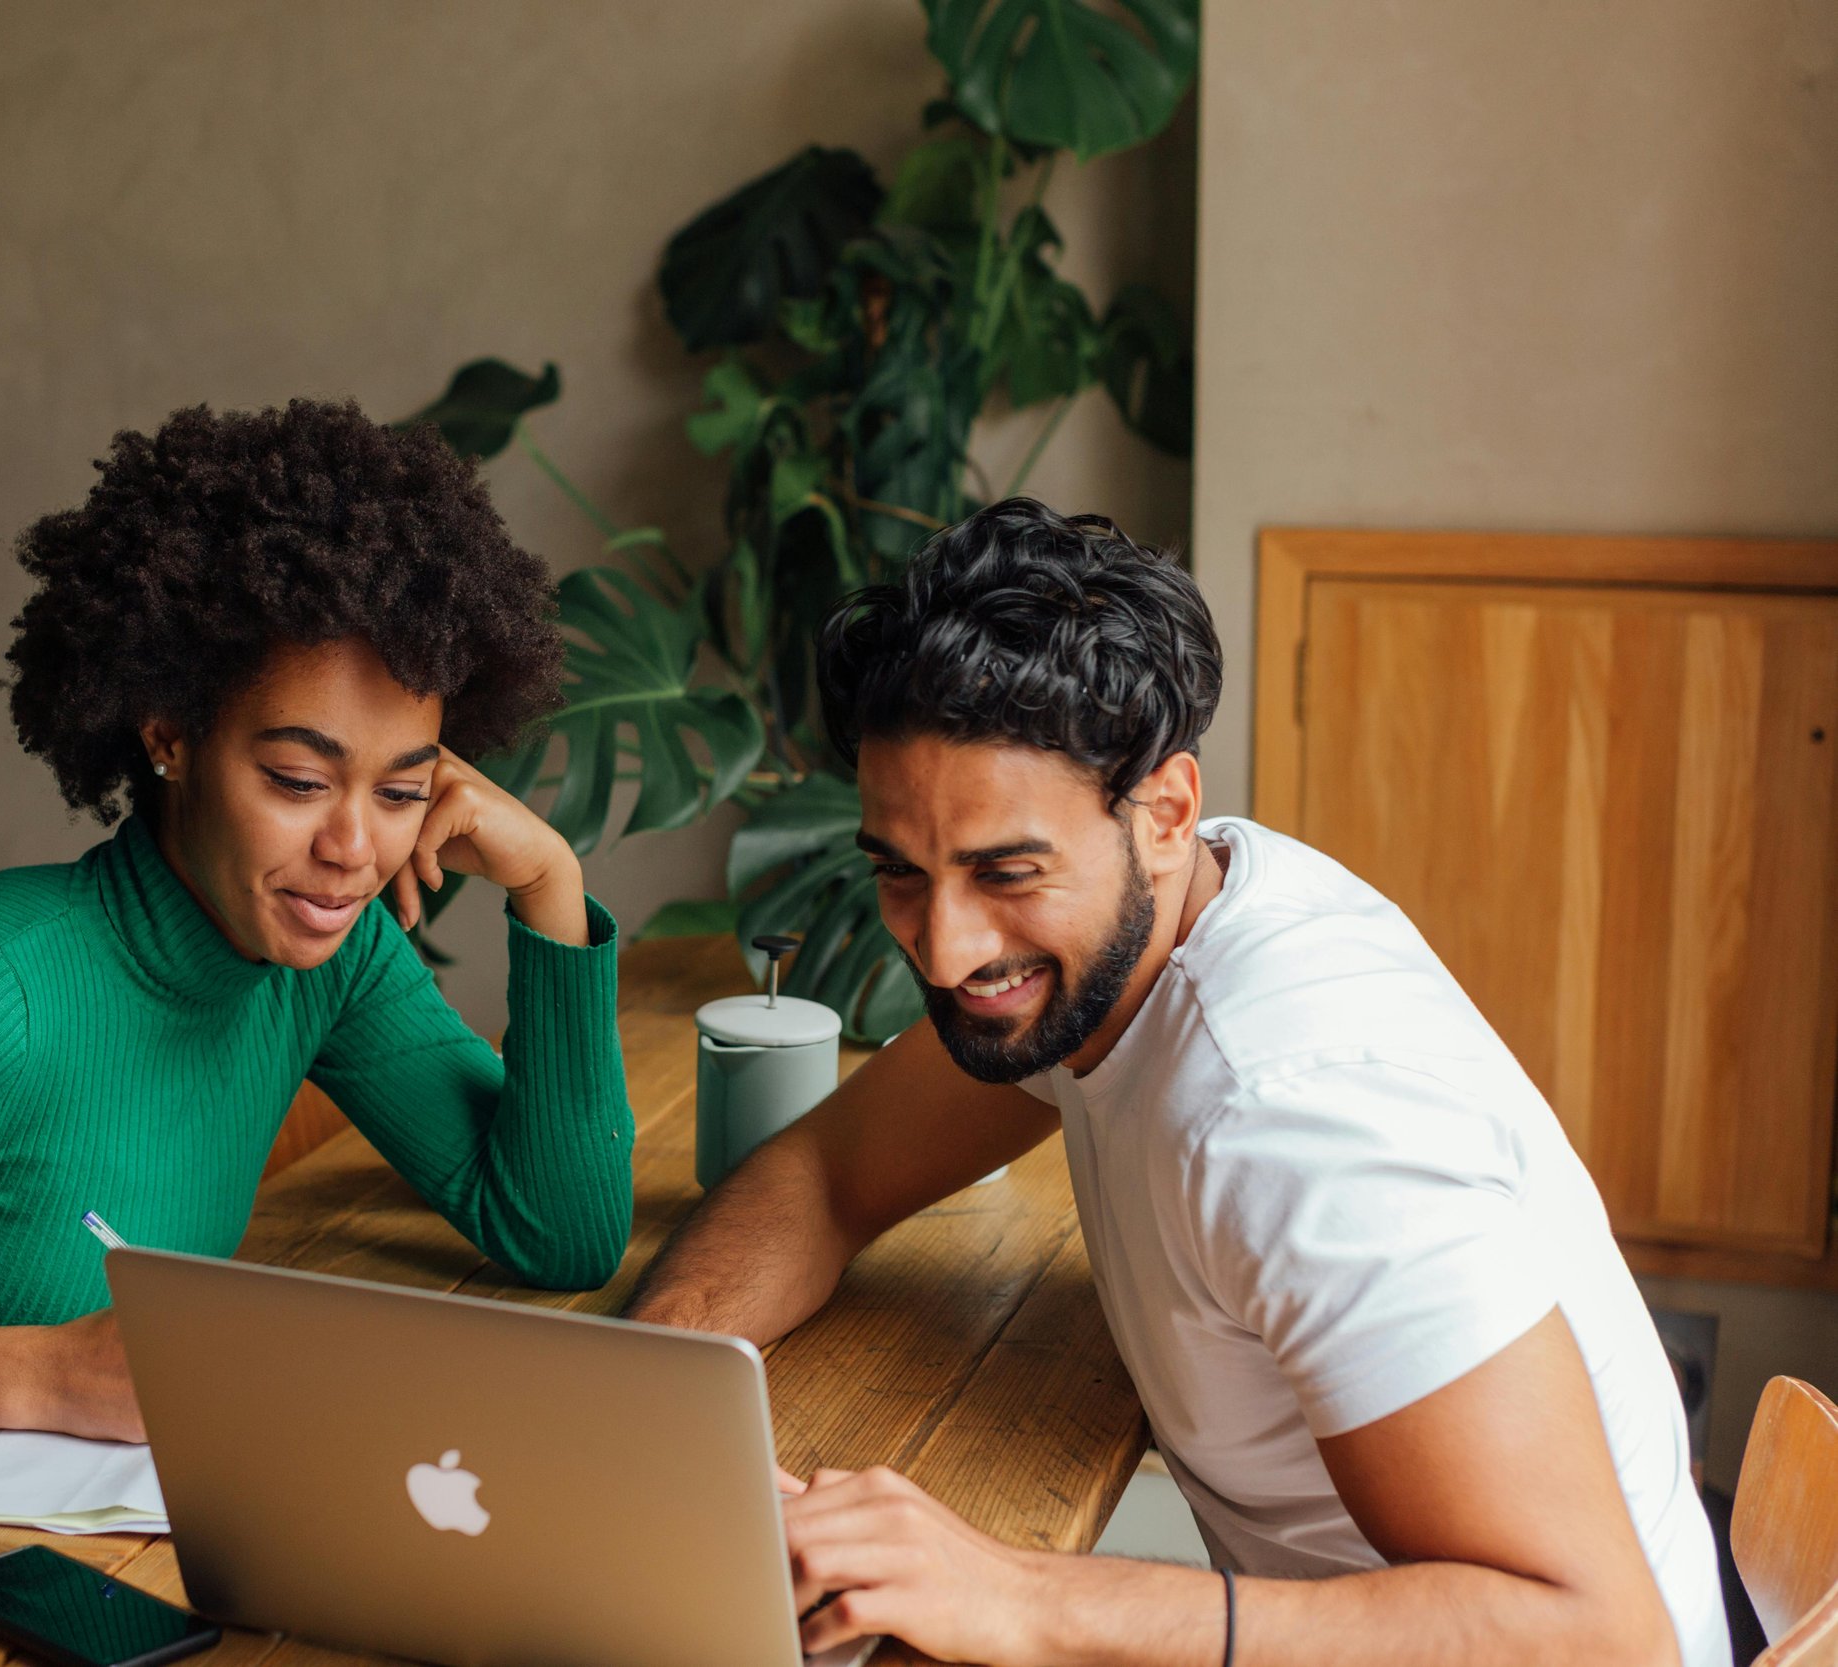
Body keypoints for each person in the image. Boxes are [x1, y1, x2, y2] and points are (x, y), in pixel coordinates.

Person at [626, 498, 1727, 1667]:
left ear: (1163, 809)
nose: (944, 950)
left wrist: (1020, 1594)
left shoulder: (1295, 1114)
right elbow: (826, 1171)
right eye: (903, 873)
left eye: (1007, 870)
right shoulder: (1150, 922)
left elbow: (1601, 1638)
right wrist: (647, 1397)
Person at [0, 398, 633, 1585]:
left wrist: (551, 886)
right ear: (169, 735)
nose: (354, 847)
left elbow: (560, 1232)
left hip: (20, 1525)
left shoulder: (325, 958)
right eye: (299, 777)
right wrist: (35, 1371)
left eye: (401, 790)